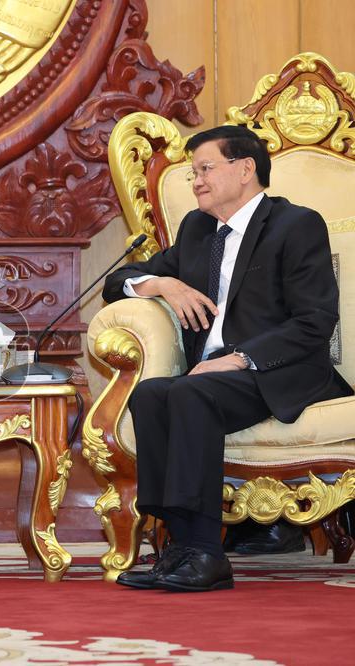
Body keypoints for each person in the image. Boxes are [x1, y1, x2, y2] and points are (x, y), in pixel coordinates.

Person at [102, 125, 352, 592]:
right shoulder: (199, 229)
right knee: (153, 394)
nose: (195, 181)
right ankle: (177, 545)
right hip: (214, 376)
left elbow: (315, 321)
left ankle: (205, 555)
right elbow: (120, 281)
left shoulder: (296, 225)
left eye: (205, 169)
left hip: (278, 370)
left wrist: (240, 359)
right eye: (193, 172)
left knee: (191, 392)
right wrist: (162, 284)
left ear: (244, 169)